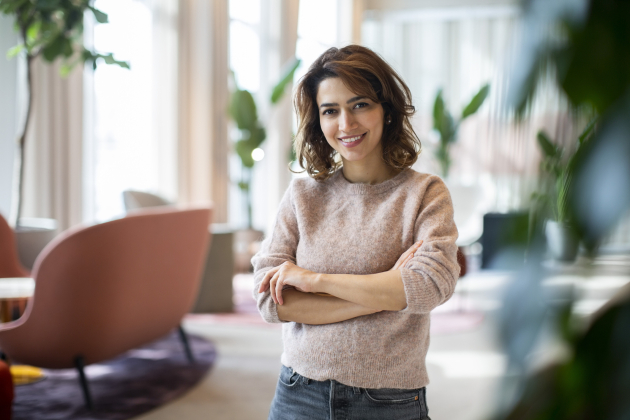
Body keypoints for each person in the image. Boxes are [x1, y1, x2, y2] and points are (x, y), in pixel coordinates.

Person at [252, 44, 459, 420]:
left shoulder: (425, 193)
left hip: (389, 401)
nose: (346, 125)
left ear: (387, 110)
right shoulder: (302, 195)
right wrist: (391, 289)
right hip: (299, 394)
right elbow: (270, 300)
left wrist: (312, 280)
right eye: (331, 111)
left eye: (360, 104)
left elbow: (429, 287)